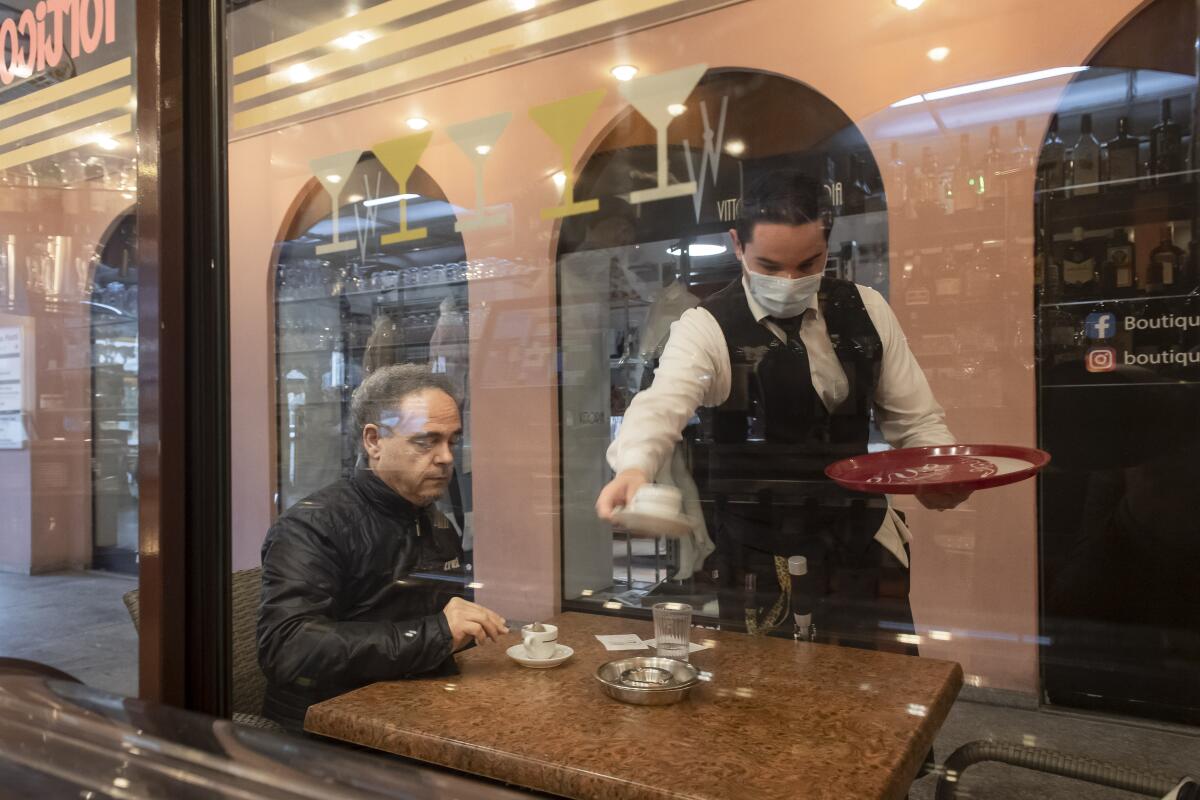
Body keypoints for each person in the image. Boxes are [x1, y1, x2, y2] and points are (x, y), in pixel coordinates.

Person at [596, 170, 969, 653]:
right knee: (767, 711)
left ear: (827, 242)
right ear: (737, 244)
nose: (790, 282)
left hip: (859, 543)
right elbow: (662, 402)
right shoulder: (706, 326)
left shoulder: (868, 310)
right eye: (769, 267)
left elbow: (915, 420)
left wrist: (933, 470)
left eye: (808, 263)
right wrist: (634, 466)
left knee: (878, 701)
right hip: (756, 555)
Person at [258, 364, 508, 731]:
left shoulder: (433, 520)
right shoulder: (312, 526)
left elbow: (440, 631)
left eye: (452, 441)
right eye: (426, 441)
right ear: (373, 441)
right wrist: (437, 633)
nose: (446, 457)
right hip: (330, 730)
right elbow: (288, 647)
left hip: (414, 709)